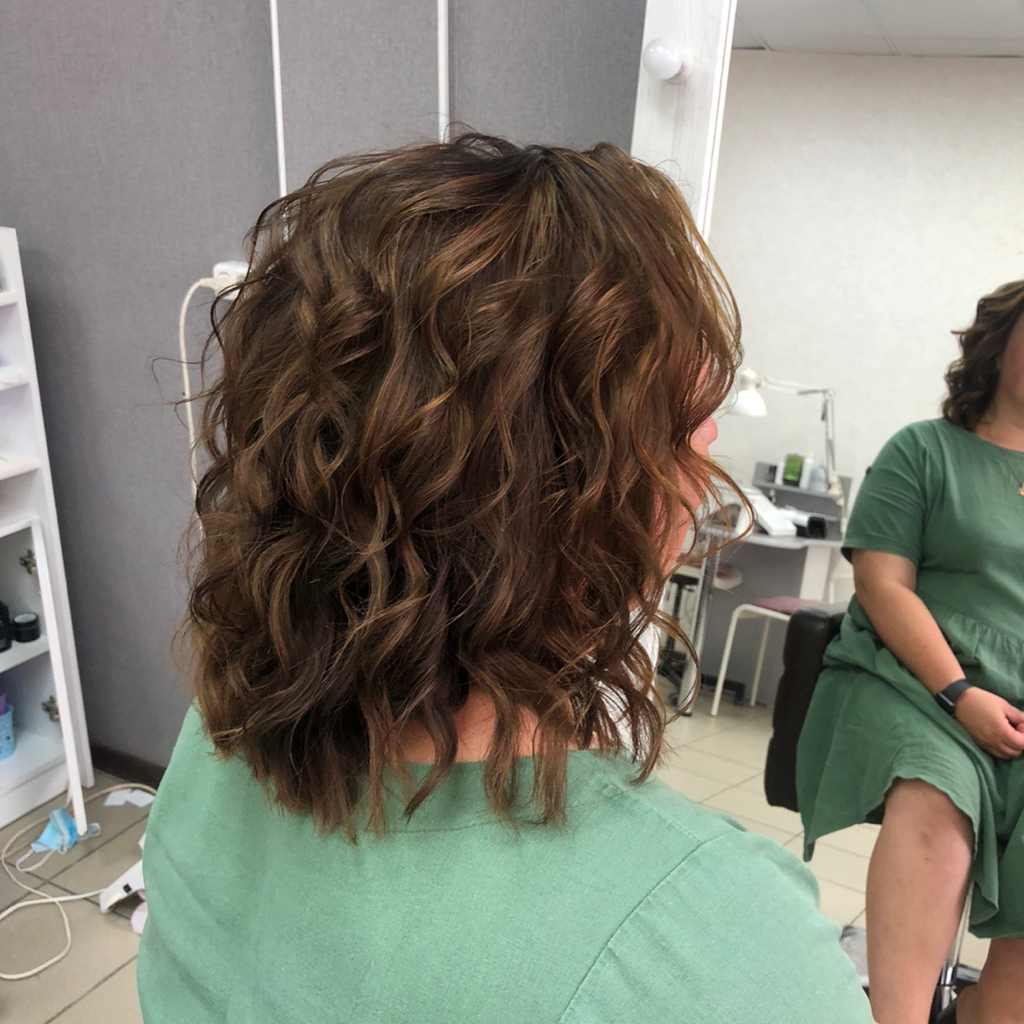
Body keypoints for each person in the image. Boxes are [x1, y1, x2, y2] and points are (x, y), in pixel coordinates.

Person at [137, 135, 872, 1023]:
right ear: (564, 492)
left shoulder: (216, 740)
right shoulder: (725, 949)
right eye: (676, 419)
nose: (709, 441)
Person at [797, 278, 1024, 1024]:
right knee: (938, 793)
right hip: (913, 680)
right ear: (999, 347)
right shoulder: (925, 451)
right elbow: (882, 583)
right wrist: (960, 694)